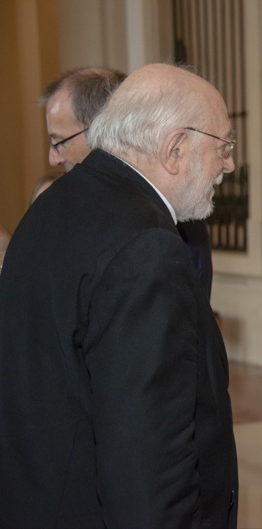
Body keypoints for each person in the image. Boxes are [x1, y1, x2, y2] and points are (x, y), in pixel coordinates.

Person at [0, 63, 238, 527]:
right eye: (223, 146)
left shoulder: (51, 208)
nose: (228, 164)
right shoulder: (146, 248)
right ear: (175, 148)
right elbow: (147, 467)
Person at [40, 66, 215, 297]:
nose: (53, 158)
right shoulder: (81, 205)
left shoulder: (166, 210)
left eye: (59, 142)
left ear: (100, 129)